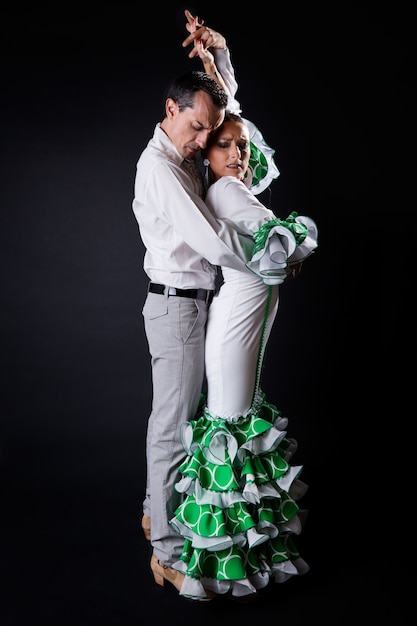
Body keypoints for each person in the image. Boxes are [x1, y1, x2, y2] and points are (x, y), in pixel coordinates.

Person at [166, 17, 318, 602]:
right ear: (207, 149)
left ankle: (246, 552)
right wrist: (290, 251)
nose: (239, 151)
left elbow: (233, 116)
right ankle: (214, 567)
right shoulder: (226, 191)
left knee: (239, 419)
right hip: (232, 329)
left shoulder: (239, 184)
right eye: (225, 144)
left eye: (243, 143)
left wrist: (218, 60)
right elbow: (286, 243)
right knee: (230, 429)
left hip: (246, 325)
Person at [131, 15, 264, 596]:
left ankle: (151, 511)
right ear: (169, 110)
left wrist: (222, 52)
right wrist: (268, 255)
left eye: (208, 130)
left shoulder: (188, 139)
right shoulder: (159, 168)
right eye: (197, 128)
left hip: (192, 306)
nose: (204, 140)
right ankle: (164, 549)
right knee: (172, 428)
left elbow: (226, 104)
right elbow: (210, 238)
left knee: (179, 424)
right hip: (176, 310)